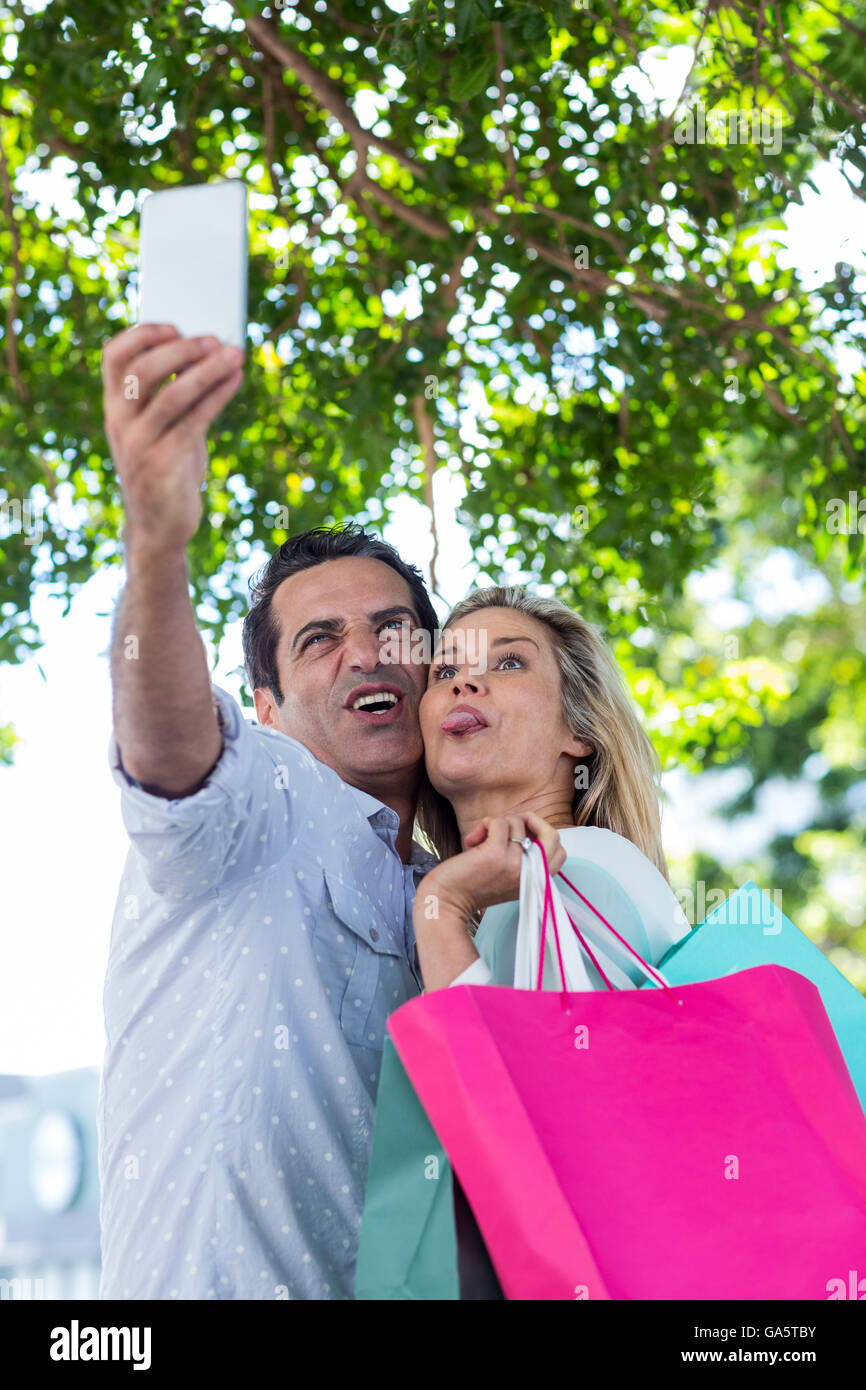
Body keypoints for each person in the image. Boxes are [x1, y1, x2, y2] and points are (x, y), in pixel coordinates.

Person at [98, 322, 447, 1300]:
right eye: (319, 641)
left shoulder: (455, 902)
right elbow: (166, 749)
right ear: (264, 706)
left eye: (392, 629)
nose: (365, 655)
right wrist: (156, 543)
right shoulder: (259, 791)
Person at [411, 586, 691, 991]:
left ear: (579, 730)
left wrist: (440, 904)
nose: (464, 682)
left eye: (509, 662)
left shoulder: (576, 874)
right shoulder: (545, 881)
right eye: (445, 672)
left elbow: (492, 1057)